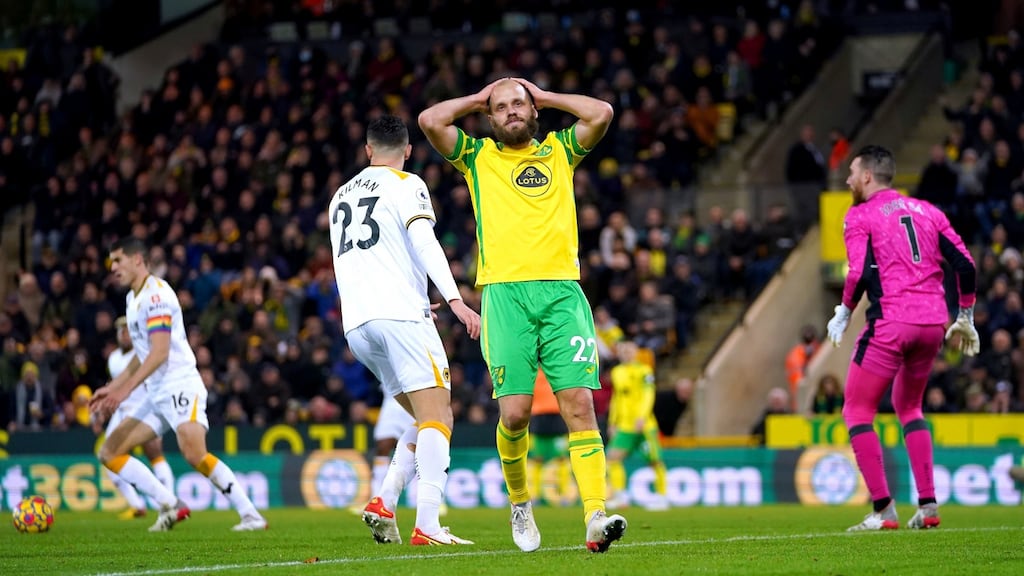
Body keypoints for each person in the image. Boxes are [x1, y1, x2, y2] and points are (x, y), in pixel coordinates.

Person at [419, 77, 627, 553]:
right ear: (489, 118)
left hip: (561, 293)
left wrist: (545, 96)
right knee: (514, 414)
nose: (511, 111)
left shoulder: (559, 151)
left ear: (533, 112)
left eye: (519, 104)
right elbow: (430, 121)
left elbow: (602, 112)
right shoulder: (477, 158)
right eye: (501, 107)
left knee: (579, 403)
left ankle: (595, 513)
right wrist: (475, 98)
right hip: (504, 295)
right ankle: (520, 502)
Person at [333, 114, 480, 546]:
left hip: (358, 325)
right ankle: (429, 525)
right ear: (409, 151)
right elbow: (423, 242)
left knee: (423, 416)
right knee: (440, 416)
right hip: (399, 317)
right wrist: (454, 298)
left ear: (368, 150)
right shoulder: (407, 184)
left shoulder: (339, 196)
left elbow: (366, 260)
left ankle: (384, 501)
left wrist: (411, 295)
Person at [826, 145, 979, 532]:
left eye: (851, 172)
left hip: (892, 321)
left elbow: (858, 271)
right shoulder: (929, 211)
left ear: (866, 177)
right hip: (933, 324)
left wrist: (843, 311)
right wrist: (965, 314)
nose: (847, 180)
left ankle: (883, 509)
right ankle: (927, 506)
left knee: (857, 411)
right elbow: (966, 264)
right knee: (908, 406)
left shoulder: (860, 214)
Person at [91, 237, 267, 532]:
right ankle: (170, 505)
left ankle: (251, 514)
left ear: (137, 259)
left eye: (118, 260)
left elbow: (159, 353)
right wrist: (114, 385)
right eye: (111, 261)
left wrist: (126, 390)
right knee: (110, 452)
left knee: (194, 454)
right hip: (155, 391)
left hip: (178, 384)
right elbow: (142, 354)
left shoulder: (156, 296)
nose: (113, 267)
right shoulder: (132, 299)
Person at [95, 316, 176, 520]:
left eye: (127, 331)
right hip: (121, 410)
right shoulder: (113, 358)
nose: (125, 335)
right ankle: (137, 505)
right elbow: (115, 385)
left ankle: (168, 501)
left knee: (154, 453)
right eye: (121, 332)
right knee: (106, 455)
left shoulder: (143, 352)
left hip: (142, 408)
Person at [606, 341, 668, 511]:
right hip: (625, 426)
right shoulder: (617, 372)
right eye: (623, 350)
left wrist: (642, 416)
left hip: (644, 425)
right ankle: (620, 497)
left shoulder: (645, 371)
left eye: (629, 350)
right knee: (612, 458)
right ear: (619, 353)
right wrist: (613, 421)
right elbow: (616, 397)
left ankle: (662, 497)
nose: (626, 353)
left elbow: (649, 394)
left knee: (654, 460)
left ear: (635, 352)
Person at [527, 368, 571, 507]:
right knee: (536, 459)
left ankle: (566, 495)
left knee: (562, 458)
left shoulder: (558, 367)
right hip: (538, 417)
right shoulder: (531, 370)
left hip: (558, 416)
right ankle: (533, 495)